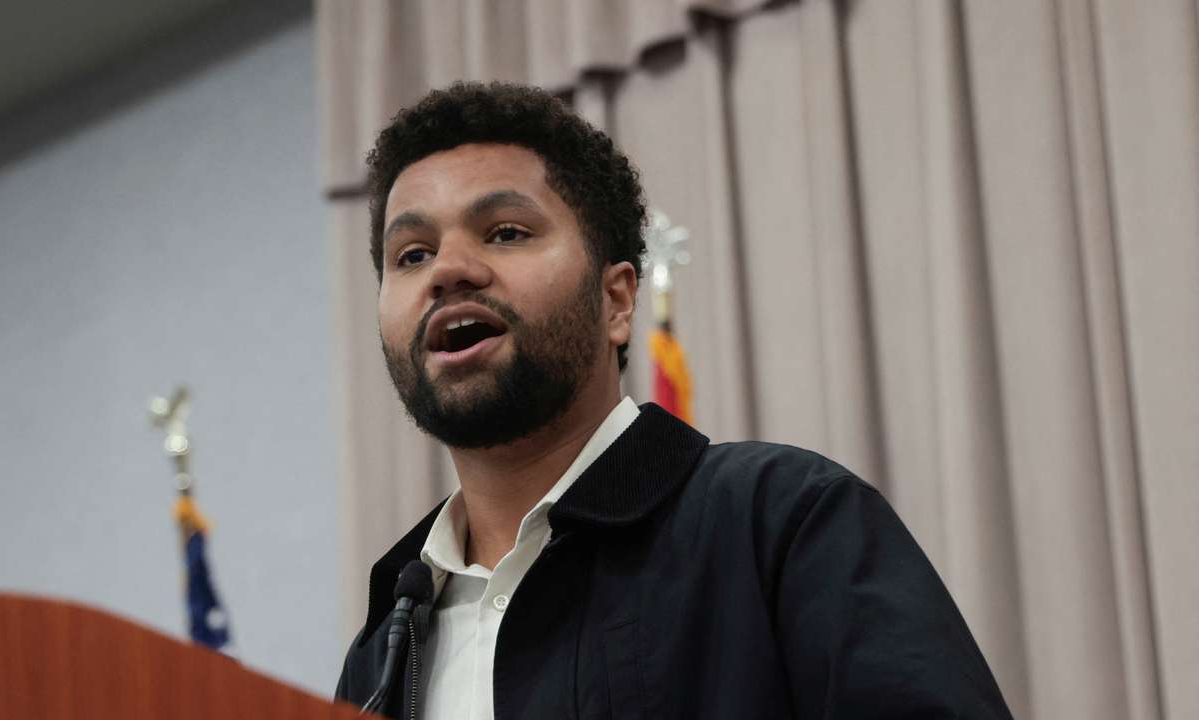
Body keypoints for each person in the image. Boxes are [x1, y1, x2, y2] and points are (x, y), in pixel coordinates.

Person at [334, 81, 1013, 720]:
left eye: (506, 232)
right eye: (412, 255)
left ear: (618, 300)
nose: (448, 270)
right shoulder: (386, 644)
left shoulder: (782, 519)